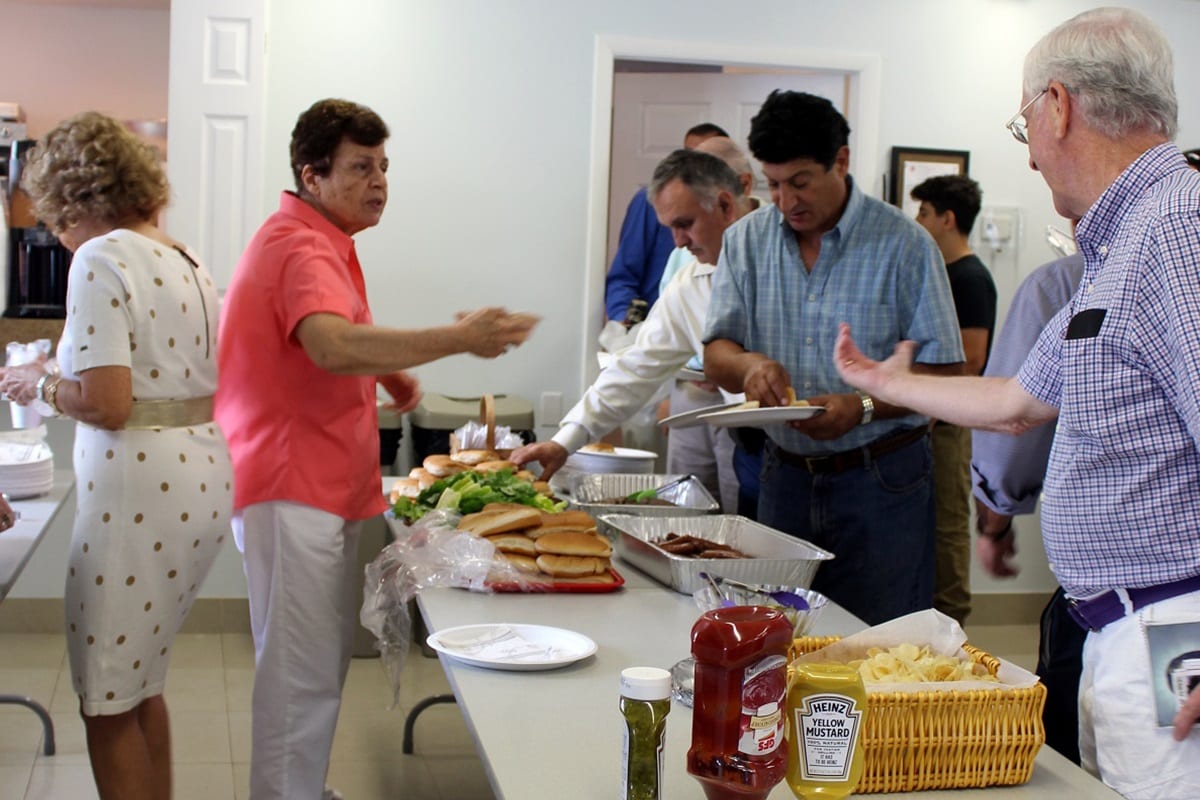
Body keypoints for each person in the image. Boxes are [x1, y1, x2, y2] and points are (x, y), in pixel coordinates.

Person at [833, 9, 1200, 796]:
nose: (1030, 156)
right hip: (1122, 630)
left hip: (1175, 634)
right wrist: (880, 381)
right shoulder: (1122, 244)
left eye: (1023, 122)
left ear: (1059, 107)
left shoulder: (1178, 227)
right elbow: (1016, 401)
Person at [214, 98, 538, 800]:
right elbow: (329, 344)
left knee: (316, 660)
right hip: (288, 478)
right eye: (361, 167)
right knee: (299, 670)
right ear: (313, 174)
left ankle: (301, 789)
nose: (380, 181)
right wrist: (458, 338)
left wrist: (393, 375)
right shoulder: (300, 244)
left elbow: (331, 331)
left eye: (384, 166)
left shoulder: (318, 241)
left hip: (309, 479)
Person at [0, 111, 231, 800]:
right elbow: (155, 371)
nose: (52, 232)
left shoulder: (101, 257)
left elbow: (108, 403)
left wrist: (33, 381)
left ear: (74, 195)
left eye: (51, 215)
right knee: (140, 682)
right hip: (196, 476)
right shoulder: (182, 257)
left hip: (138, 493)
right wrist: (60, 360)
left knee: (104, 698)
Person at [702, 90, 964, 626]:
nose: (785, 201)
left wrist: (862, 405)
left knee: (882, 640)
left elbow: (945, 373)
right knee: (782, 637)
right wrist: (750, 366)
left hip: (882, 479)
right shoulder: (745, 242)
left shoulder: (905, 245)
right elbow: (716, 352)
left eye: (800, 182)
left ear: (840, 162)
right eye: (773, 184)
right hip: (784, 479)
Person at [512, 146, 756, 484]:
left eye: (685, 225)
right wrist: (563, 442)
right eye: (670, 228)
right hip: (754, 446)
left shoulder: (787, 250)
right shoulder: (689, 284)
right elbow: (635, 369)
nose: (679, 242)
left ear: (727, 205)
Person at [910, 174, 997, 624]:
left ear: (947, 219)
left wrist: (922, 398)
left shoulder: (970, 278)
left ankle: (955, 627)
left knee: (947, 530)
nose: (917, 221)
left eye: (923, 213)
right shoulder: (940, 273)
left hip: (946, 426)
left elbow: (972, 360)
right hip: (928, 422)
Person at [604, 122, 729, 323]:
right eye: (688, 155)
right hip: (652, 327)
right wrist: (625, 323)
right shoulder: (649, 203)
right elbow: (623, 276)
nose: (679, 240)